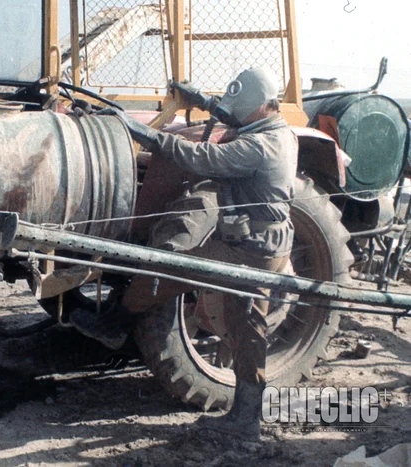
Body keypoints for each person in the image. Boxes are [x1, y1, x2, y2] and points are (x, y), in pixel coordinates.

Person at [70, 67, 298, 441]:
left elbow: (196, 157)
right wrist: (202, 101)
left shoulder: (259, 147)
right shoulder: (275, 129)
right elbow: (232, 116)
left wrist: (135, 128)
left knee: (179, 278)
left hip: (250, 251)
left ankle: (117, 324)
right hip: (252, 243)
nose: (233, 115)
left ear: (261, 107)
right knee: (243, 321)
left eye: (239, 109)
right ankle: (246, 416)